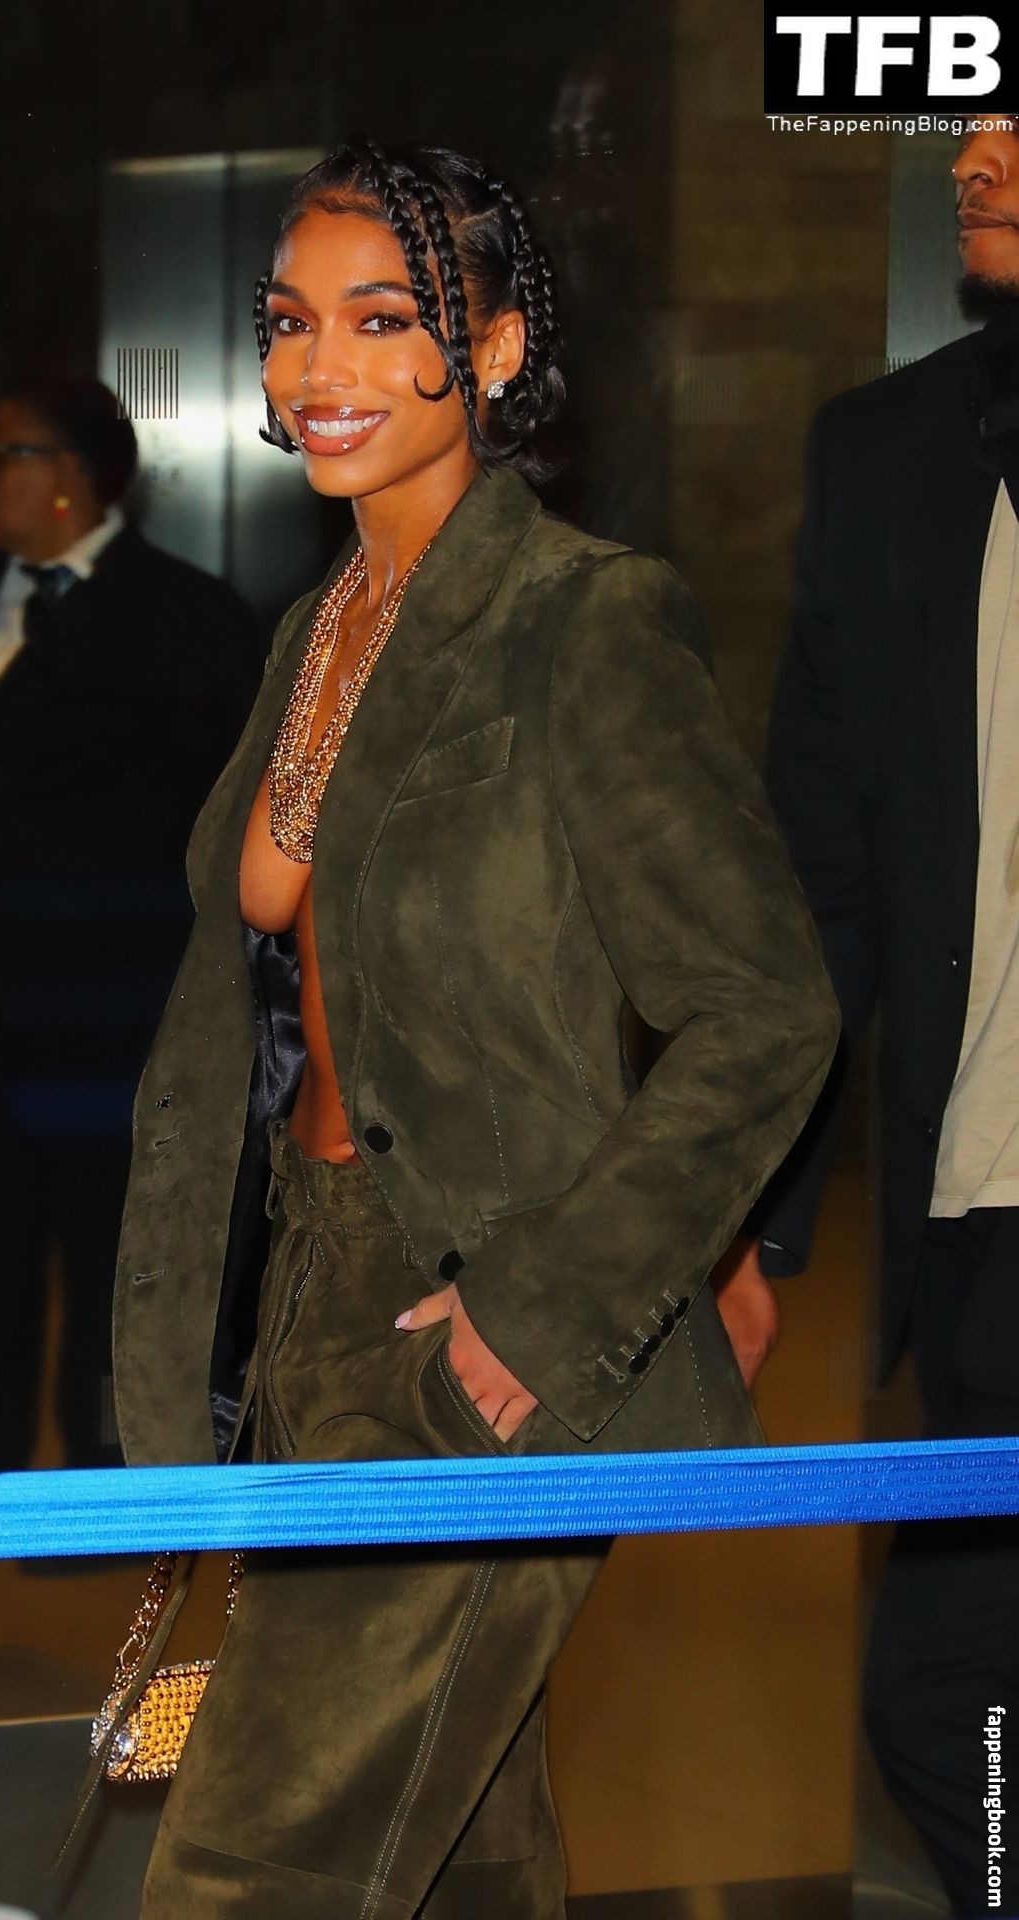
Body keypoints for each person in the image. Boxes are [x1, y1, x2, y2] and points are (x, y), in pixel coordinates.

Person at [102, 141, 839, 1917]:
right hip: (303, 1303)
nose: (321, 368)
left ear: (496, 350)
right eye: (289, 323)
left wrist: (553, 1298)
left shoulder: (584, 619)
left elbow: (764, 1006)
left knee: (248, 1868)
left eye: (382, 320)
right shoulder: (315, 631)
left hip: (479, 1327)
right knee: (454, 1866)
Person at [731, 115, 1019, 1920]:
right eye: (970, 124)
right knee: (948, 1692)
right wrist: (759, 1216)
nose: (975, 158)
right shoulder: (891, 453)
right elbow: (816, 883)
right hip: (987, 1208)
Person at [0, 375, 262, 1472]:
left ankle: (106, 1479)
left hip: (112, 1012)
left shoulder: (187, 617)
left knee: (108, 1249)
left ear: (70, 476)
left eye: (1, 455)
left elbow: (224, 816)